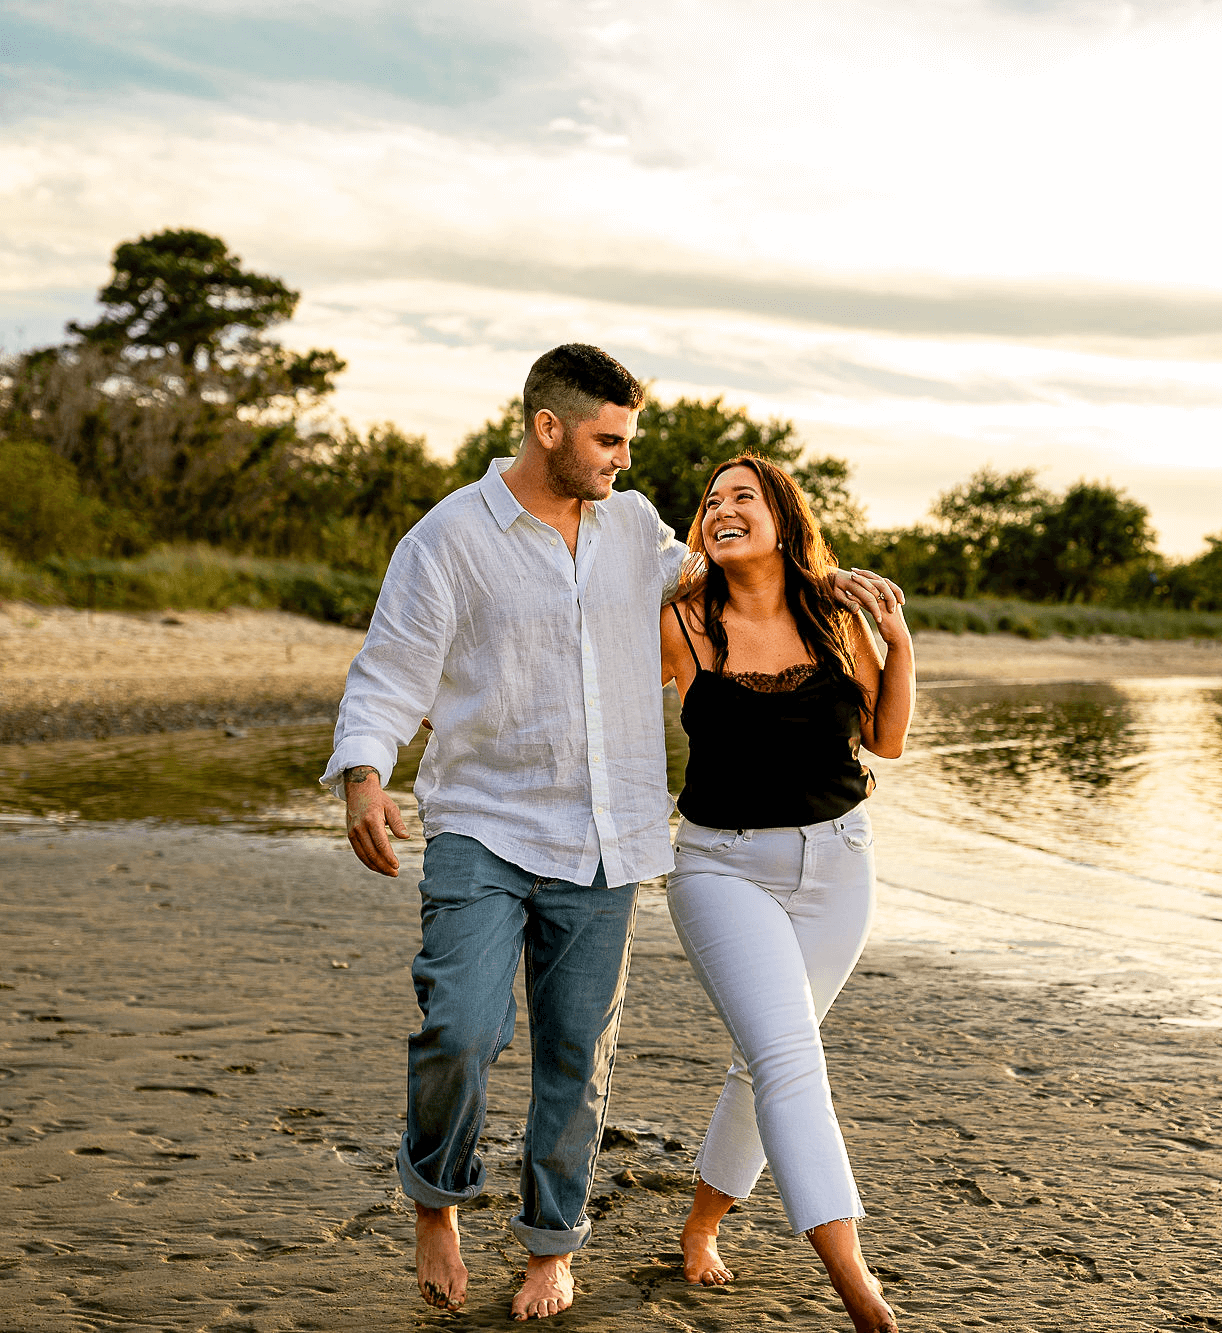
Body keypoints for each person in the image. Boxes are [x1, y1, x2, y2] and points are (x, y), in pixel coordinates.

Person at [319, 345, 899, 1320]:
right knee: (458, 1027)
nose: (624, 459)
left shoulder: (634, 529)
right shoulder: (447, 539)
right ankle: (436, 1199)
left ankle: (552, 1243)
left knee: (575, 1056)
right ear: (549, 428)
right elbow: (391, 671)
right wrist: (366, 777)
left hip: (607, 837)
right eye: (608, 439)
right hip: (484, 823)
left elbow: (725, 573)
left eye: (628, 440)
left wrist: (826, 583)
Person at [660, 455, 915, 1333]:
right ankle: (858, 1288)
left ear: (781, 516)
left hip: (839, 864)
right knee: (789, 1060)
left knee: (768, 1056)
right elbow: (577, 685)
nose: (722, 509)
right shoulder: (680, 621)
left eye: (742, 497)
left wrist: (899, 641)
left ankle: (699, 1224)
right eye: (710, 501)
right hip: (719, 868)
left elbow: (883, 739)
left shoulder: (835, 614)